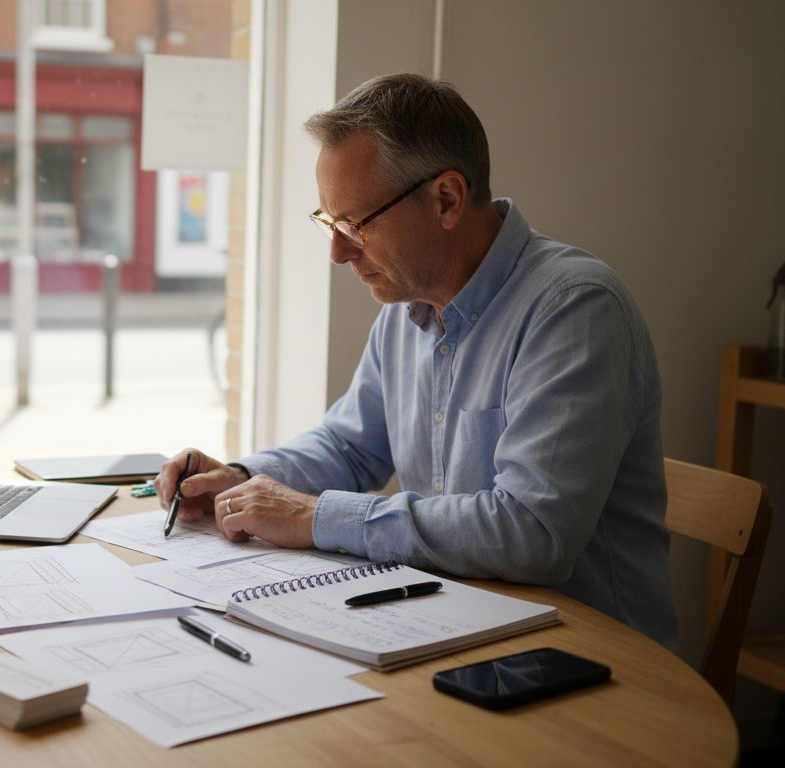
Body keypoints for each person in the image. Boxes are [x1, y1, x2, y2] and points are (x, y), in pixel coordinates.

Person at [156, 73, 677, 648]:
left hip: (591, 664)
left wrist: (311, 515)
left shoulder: (574, 310)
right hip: (462, 626)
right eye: (330, 223)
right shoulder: (410, 306)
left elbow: (532, 532)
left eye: (355, 224)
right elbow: (350, 448)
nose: (338, 252)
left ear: (447, 199)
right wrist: (242, 480)